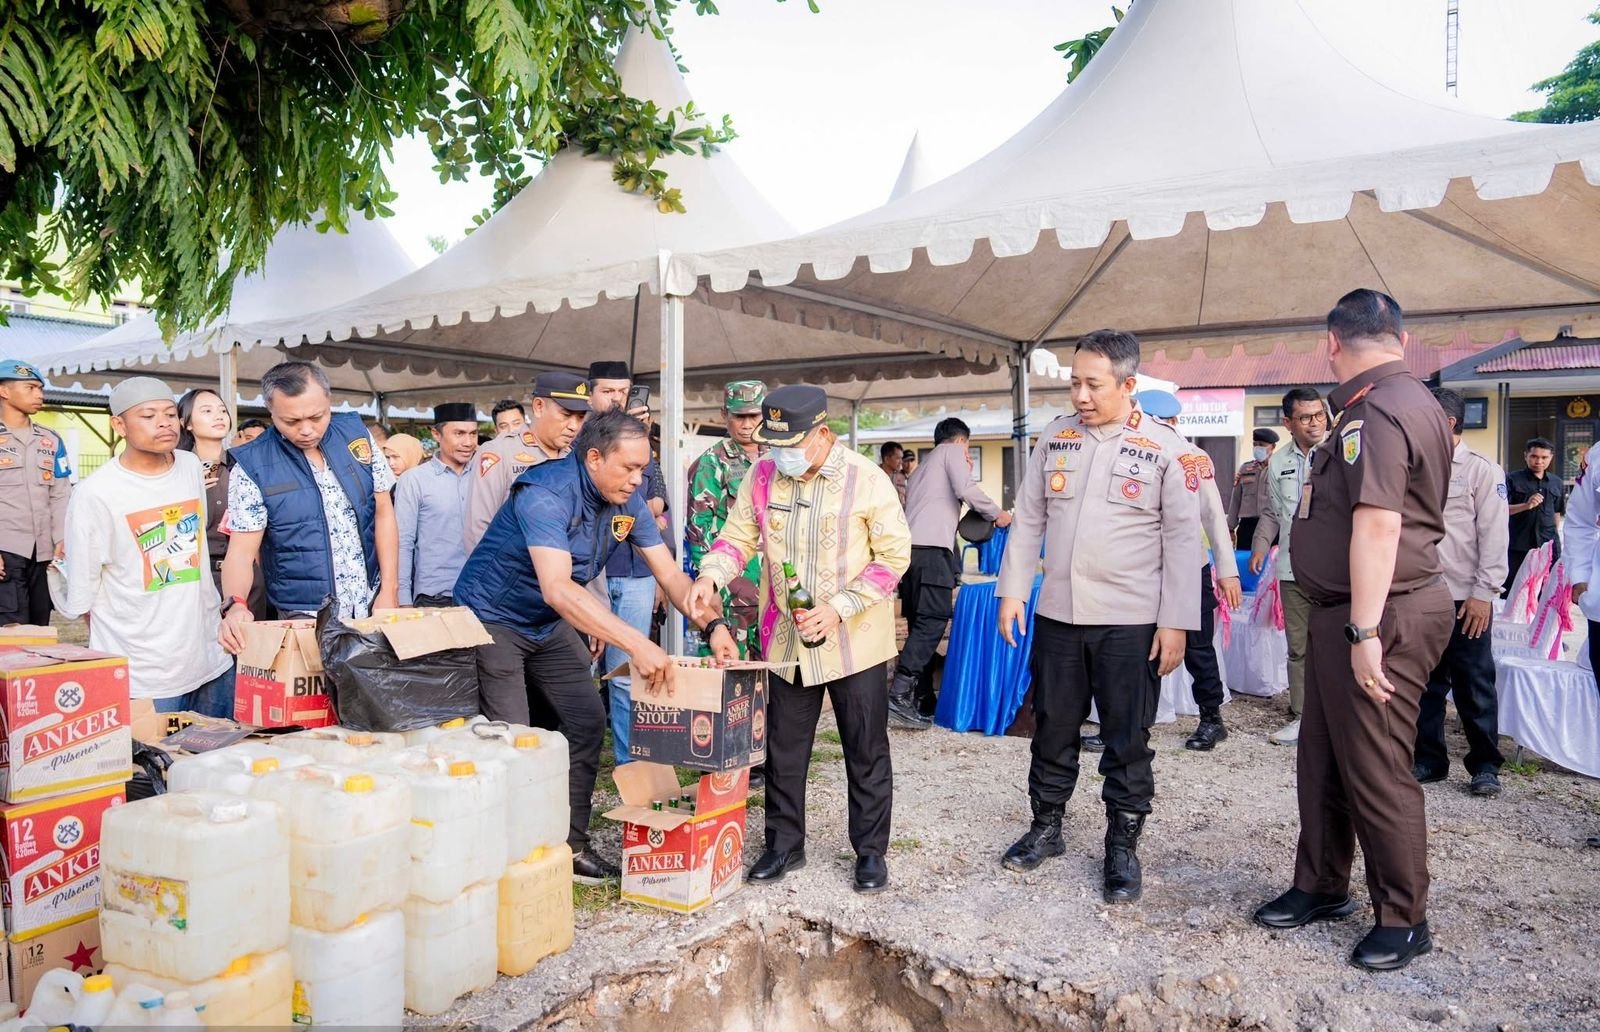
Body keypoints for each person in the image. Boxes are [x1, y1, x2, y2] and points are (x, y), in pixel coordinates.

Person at [1252, 289, 1454, 974]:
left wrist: (1365, 628)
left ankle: (1404, 917)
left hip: (1381, 611)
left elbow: (1379, 522)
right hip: (1359, 610)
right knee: (1327, 758)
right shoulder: (1406, 399)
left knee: (1376, 767)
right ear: (1400, 335)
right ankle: (1322, 883)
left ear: (1332, 342)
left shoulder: (1381, 409)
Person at [456, 409, 737, 883]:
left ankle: (570, 845)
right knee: (514, 740)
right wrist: (637, 644)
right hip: (492, 620)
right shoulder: (545, 493)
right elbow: (559, 588)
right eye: (628, 468)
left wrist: (713, 627)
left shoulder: (627, 501)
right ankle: (513, 860)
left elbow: (670, 576)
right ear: (592, 458)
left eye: (644, 469)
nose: (638, 479)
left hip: (545, 625)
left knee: (586, 721)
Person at [994, 330, 1200, 904]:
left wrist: (1176, 620)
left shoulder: (1163, 448)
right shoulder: (1056, 437)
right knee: (1053, 726)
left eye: (1093, 384)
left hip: (1131, 621)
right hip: (1060, 614)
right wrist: (1013, 591)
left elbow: (1184, 542)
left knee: (1126, 735)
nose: (1081, 395)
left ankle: (1122, 846)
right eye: (1074, 383)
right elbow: (1029, 518)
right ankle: (1046, 826)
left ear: (1128, 385)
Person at [690, 385, 911, 894]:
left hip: (853, 639)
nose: (778, 454)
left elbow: (894, 558)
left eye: (789, 445)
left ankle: (871, 851)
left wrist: (839, 609)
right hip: (786, 640)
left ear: (822, 435)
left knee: (865, 746)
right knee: (785, 749)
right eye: (772, 443)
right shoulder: (762, 474)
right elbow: (736, 535)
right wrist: (712, 575)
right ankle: (784, 845)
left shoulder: (866, 479)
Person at [55, 378, 234, 716]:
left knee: (217, 761)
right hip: (144, 673)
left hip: (210, 658)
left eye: (169, 413)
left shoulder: (189, 466)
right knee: (153, 766)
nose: (163, 423)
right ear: (118, 425)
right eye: (148, 416)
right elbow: (82, 590)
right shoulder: (95, 493)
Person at [217, 362, 399, 647]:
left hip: (371, 603)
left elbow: (383, 513)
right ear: (270, 410)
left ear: (329, 400)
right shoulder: (252, 465)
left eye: (317, 416)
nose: (306, 430)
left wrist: (390, 588)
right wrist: (236, 604)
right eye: (290, 421)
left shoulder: (357, 437)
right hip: (303, 615)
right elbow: (241, 551)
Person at [1133, 389, 1243, 752]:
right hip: (1141, 569)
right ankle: (1131, 725)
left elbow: (1213, 514)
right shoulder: (1127, 452)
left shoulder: (1192, 456)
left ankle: (1211, 718)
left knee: (1198, 648)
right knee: (1134, 648)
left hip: (1188, 568)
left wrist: (1228, 571)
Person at [1412, 389, 1508, 797]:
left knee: (1474, 683)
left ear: (1448, 422)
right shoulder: (1414, 465)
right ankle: (1430, 760)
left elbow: (1494, 535)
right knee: (1425, 684)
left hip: (1465, 597)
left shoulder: (1481, 469)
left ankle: (1485, 765)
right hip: (1420, 594)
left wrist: (1484, 592)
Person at [891, 416, 1010, 730]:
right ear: (961, 440)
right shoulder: (952, 452)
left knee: (919, 624)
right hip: (932, 552)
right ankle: (899, 692)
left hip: (910, 555)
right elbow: (966, 488)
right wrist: (998, 514)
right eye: (968, 449)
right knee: (932, 621)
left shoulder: (920, 471)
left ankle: (922, 698)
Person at [588, 361, 666, 766]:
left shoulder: (640, 445)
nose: (616, 399)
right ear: (590, 394)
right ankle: (575, 765)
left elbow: (656, 504)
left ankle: (629, 764)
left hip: (636, 571)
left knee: (625, 675)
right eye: (607, 391)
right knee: (580, 676)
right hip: (587, 580)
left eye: (623, 391)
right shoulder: (579, 448)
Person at [1251, 386, 1329, 746]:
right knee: (1299, 647)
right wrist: (1259, 546)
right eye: (1305, 417)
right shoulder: (1277, 463)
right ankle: (1303, 717)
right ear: (1288, 422)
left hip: (1334, 569)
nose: (1315, 424)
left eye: (1319, 416)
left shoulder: (1341, 454)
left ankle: (1338, 716)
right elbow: (1270, 512)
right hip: (1292, 569)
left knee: (1334, 646)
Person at [685, 380, 768, 660]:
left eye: (753, 415)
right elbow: (698, 530)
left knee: (773, 680)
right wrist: (712, 586)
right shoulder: (712, 462)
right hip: (733, 591)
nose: (746, 424)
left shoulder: (777, 458)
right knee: (731, 678)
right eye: (739, 416)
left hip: (773, 591)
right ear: (725, 414)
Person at [464, 372, 590, 551]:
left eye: (580, 417)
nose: (574, 426)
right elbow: (478, 529)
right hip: (513, 574)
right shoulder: (500, 452)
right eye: (566, 414)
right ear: (539, 407)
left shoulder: (576, 459)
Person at [177, 389, 269, 621]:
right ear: (185, 422)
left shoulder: (245, 465)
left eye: (222, 411)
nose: (218, 416)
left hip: (246, 577)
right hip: (195, 576)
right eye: (206, 411)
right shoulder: (176, 472)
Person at [0, 358, 71, 627]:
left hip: (43, 553)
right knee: (9, 631)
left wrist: (62, 537)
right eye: (30, 388)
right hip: (6, 551)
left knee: (41, 627)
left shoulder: (50, 440)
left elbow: (61, 493)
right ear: (4, 391)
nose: (39, 394)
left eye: (40, 388)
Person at [395, 403, 479, 607]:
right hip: (435, 596)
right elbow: (403, 543)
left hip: (481, 594)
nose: (468, 442)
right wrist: (403, 599)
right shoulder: (414, 480)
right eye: (459, 433)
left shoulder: (484, 475)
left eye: (473, 434)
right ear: (436, 434)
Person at [1505, 437, 1563, 590]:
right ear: (1526, 456)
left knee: (1547, 592)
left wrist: (1554, 539)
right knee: (1515, 592)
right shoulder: (1512, 479)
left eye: (1544, 457)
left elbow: (1557, 513)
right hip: (1519, 546)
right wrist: (1526, 505)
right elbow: (1500, 510)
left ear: (1551, 457)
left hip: (1548, 546)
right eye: (1534, 456)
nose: (1539, 461)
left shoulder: (1556, 482)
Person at [1229, 428, 1280, 551]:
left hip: (1273, 526)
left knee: (1271, 566)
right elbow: (1236, 500)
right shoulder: (1245, 469)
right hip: (1247, 526)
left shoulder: (1280, 469)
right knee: (1245, 563)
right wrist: (1230, 527)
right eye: (1255, 444)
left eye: (1262, 445)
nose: (1258, 448)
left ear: (1272, 447)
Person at [879, 441, 908, 507]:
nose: (901, 462)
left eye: (901, 458)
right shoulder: (874, 477)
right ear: (886, 459)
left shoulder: (903, 477)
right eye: (898, 458)